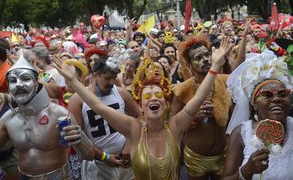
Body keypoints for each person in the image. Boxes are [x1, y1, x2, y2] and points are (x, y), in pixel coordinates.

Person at [52, 37, 232, 180]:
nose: (153, 98)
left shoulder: (176, 126)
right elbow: (98, 107)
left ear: (166, 102)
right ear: (139, 105)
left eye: (158, 95)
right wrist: (74, 81)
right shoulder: (133, 128)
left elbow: (199, 96)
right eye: (147, 96)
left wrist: (215, 65)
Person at [0, 51, 95, 179]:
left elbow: (89, 156)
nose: (18, 85)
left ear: (36, 84)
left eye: (25, 78)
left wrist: (80, 138)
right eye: (13, 80)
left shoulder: (59, 114)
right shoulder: (8, 119)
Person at [222, 49, 293, 180]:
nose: (277, 99)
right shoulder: (241, 134)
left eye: (282, 94)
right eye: (267, 95)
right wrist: (247, 171)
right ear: (254, 104)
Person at [67, 58, 140, 180]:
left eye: (114, 77)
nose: (112, 82)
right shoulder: (77, 99)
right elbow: (77, 137)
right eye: (107, 78)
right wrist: (104, 157)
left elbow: (139, 118)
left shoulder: (122, 94)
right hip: (97, 165)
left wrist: (130, 144)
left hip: (126, 161)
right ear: (95, 75)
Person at [172, 34, 233, 180]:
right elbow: (172, 126)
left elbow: (235, 118)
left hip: (223, 154)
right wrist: (192, 118)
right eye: (198, 58)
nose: (205, 59)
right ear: (189, 64)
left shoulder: (227, 82)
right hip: (196, 158)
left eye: (207, 55)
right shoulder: (182, 90)